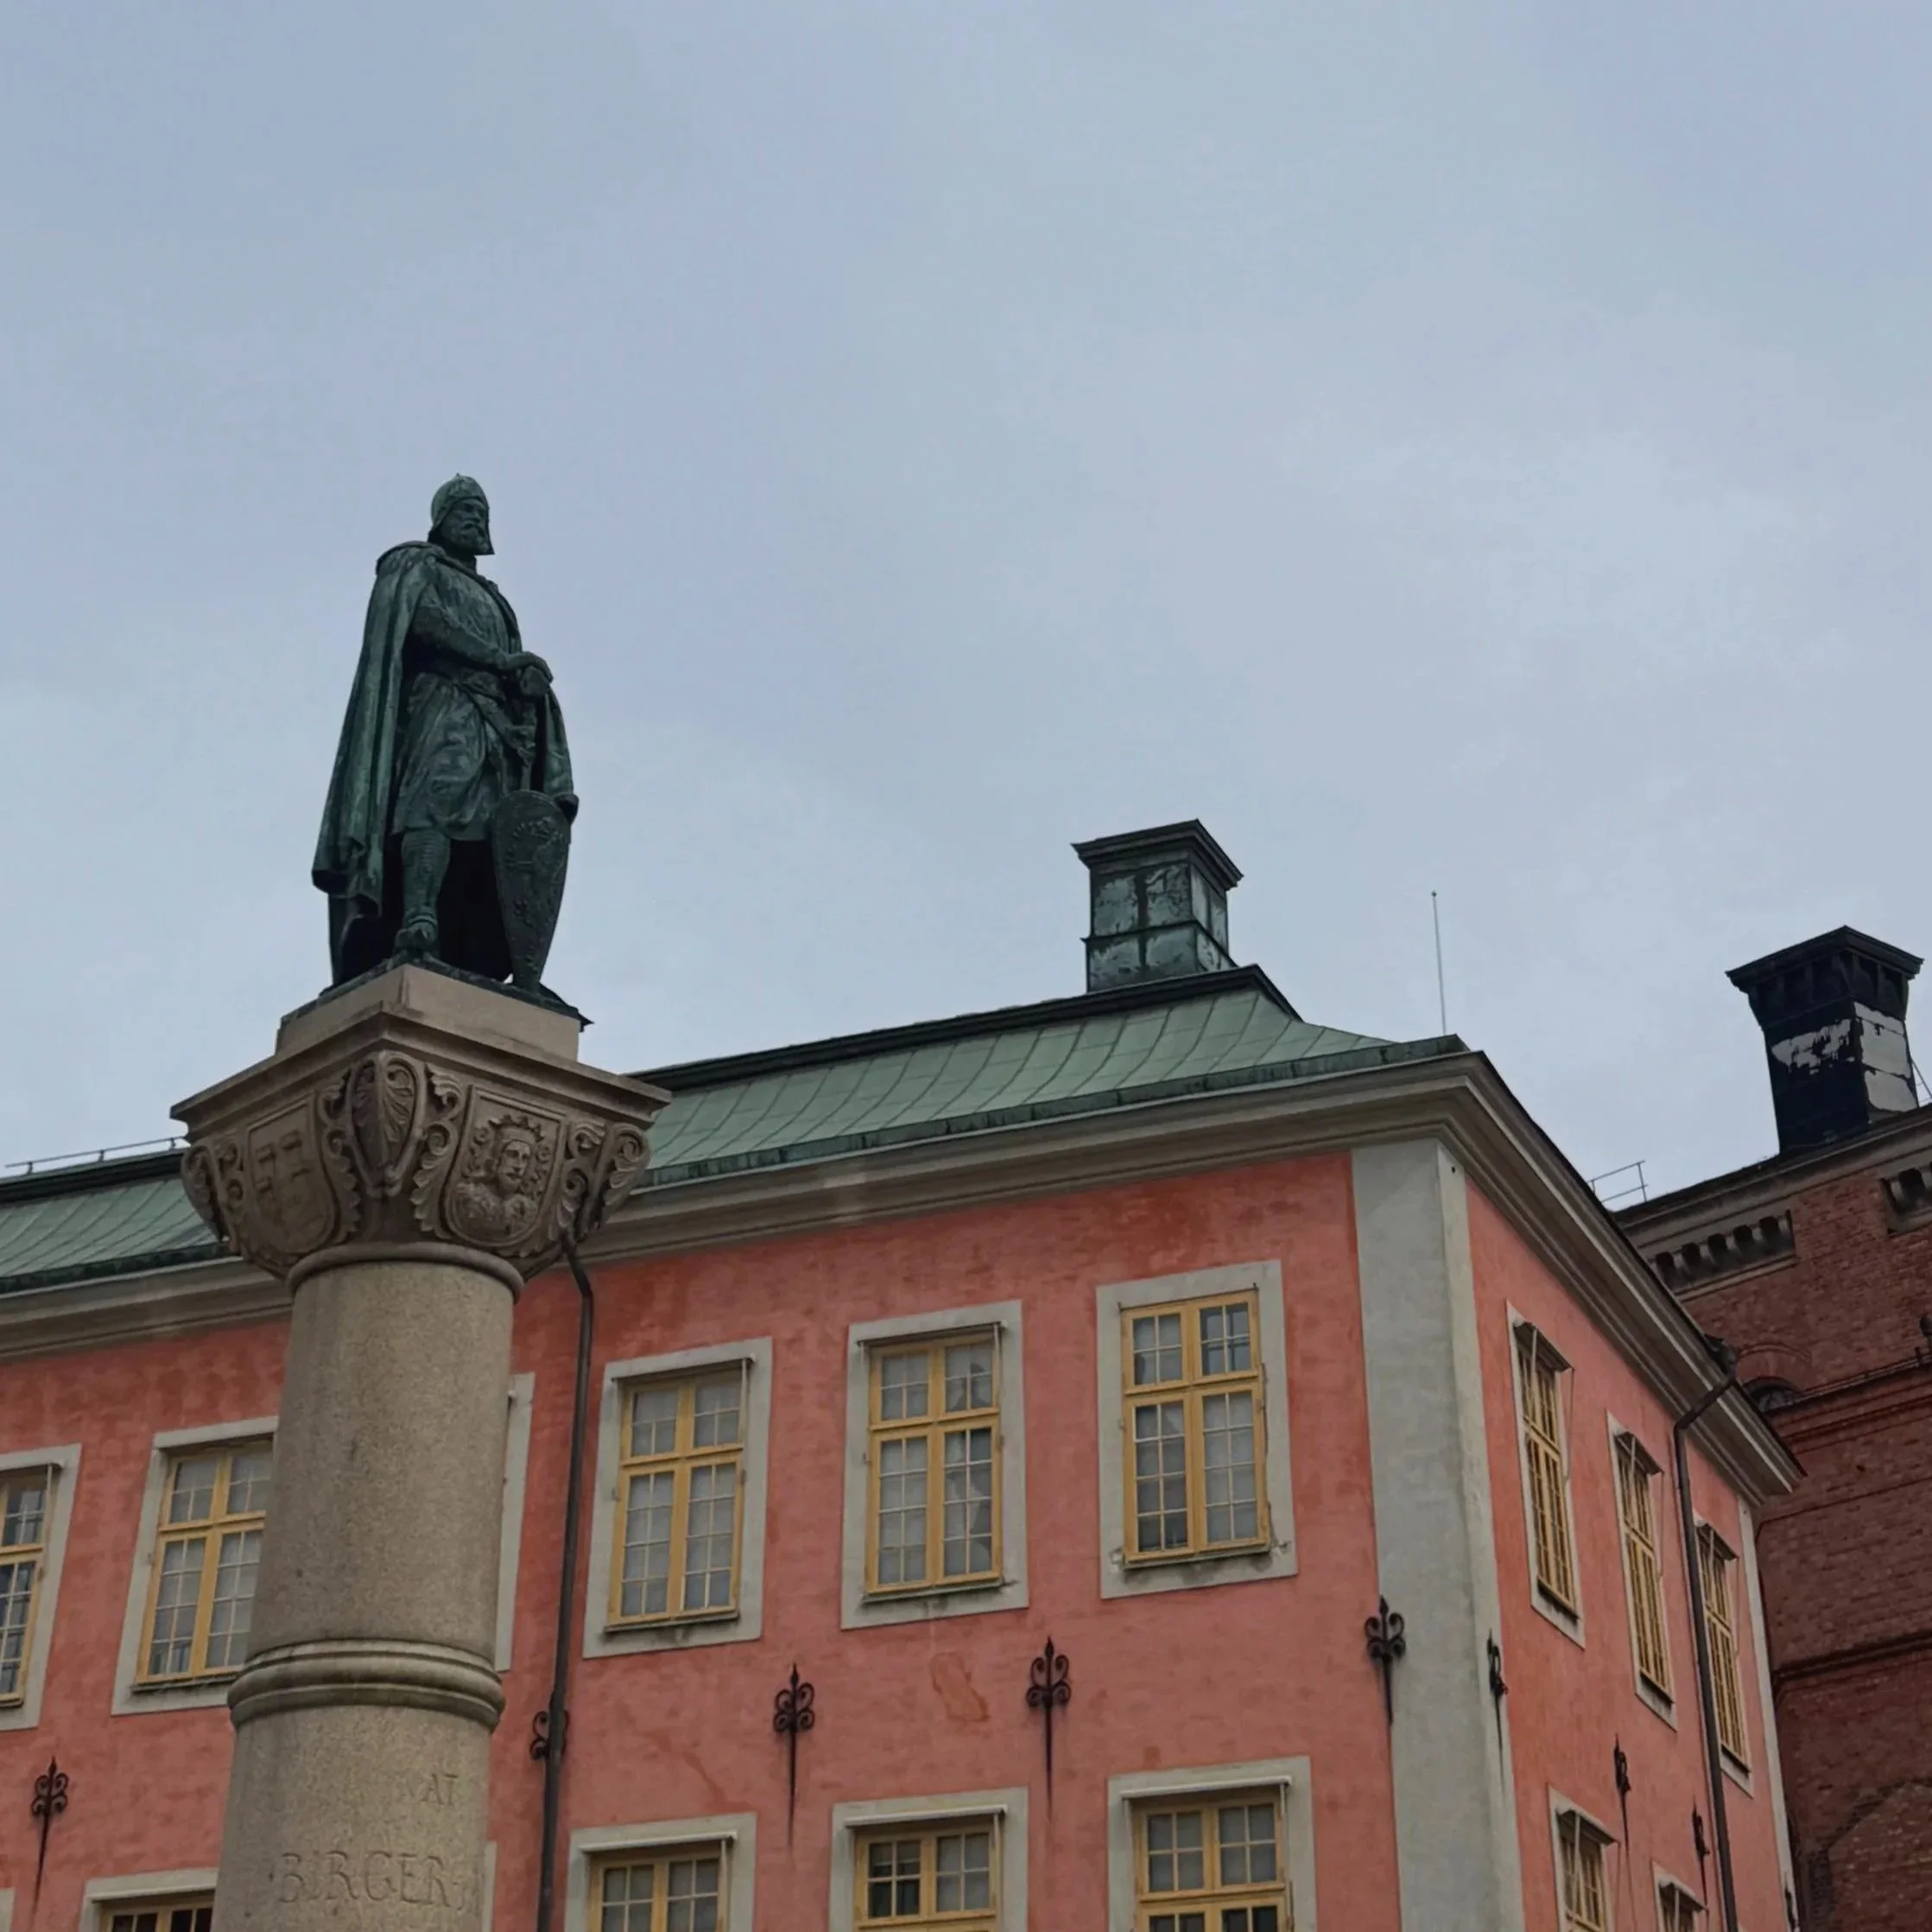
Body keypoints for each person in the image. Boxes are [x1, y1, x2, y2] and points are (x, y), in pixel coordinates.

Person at [312, 477, 577, 985]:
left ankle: (469, 938)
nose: (476, 518)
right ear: (440, 520)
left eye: (482, 511)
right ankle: (418, 918)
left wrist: (528, 684)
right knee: (430, 808)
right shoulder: (416, 566)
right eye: (464, 509)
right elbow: (423, 621)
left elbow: (510, 666)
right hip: (443, 706)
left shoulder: (496, 600)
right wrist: (501, 659)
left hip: (501, 731)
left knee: (488, 837)